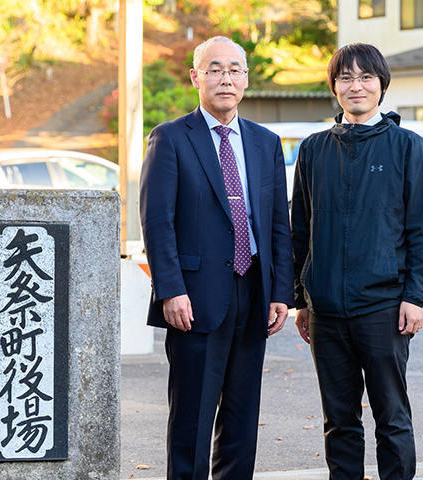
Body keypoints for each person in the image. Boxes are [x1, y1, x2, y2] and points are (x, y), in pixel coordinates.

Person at [139, 36, 294, 480]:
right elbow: (157, 221)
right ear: (196, 77)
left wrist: (281, 290)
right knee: (191, 418)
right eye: (215, 69)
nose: (225, 78)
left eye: (234, 70)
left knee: (242, 420)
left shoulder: (266, 142)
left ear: (246, 78)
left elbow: (276, 223)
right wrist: (171, 289)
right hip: (195, 298)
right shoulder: (170, 137)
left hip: (254, 294)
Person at [290, 43, 423, 480]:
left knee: (391, 417)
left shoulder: (407, 147)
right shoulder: (314, 149)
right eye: (346, 78)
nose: (356, 86)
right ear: (334, 87)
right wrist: (301, 299)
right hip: (326, 311)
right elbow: (301, 231)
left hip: (384, 307)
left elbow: (422, 230)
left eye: (365, 77)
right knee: (340, 421)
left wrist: (416, 297)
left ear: (382, 85)